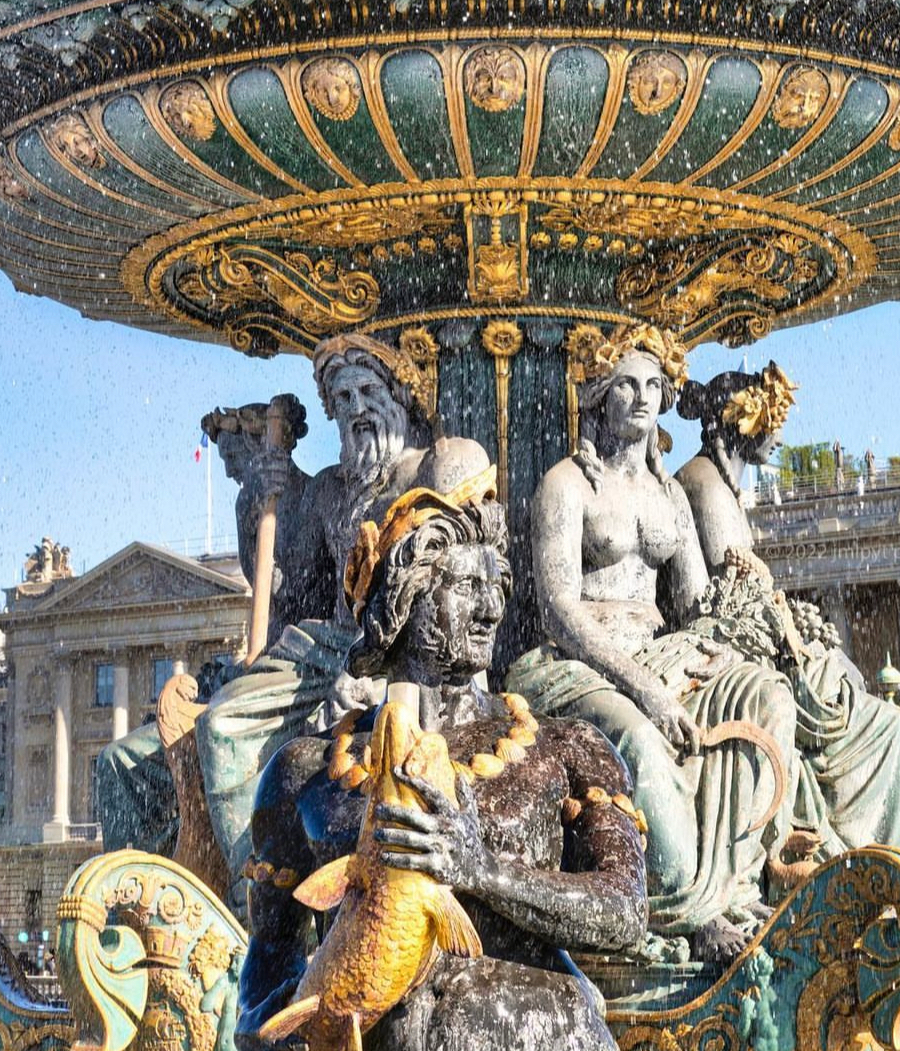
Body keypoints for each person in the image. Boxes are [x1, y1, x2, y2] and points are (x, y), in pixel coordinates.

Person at [237, 460, 647, 1051]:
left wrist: (481, 869)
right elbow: (263, 983)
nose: (490, 610)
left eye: (497, 588)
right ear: (403, 598)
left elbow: (626, 910)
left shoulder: (566, 748)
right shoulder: (305, 774)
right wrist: (298, 1030)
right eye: (466, 588)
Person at [97, 333, 490, 905]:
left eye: (367, 391)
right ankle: (134, 907)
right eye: (343, 398)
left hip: (402, 652)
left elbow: (472, 576)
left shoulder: (443, 463)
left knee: (224, 725)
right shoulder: (332, 488)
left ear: (403, 394)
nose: (356, 409)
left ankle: (253, 903)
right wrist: (262, 499)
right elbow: (287, 595)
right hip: (321, 649)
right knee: (126, 761)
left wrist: (387, 663)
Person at [506, 324, 798, 962]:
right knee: (638, 736)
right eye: (626, 386)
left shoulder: (670, 496)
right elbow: (557, 610)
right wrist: (643, 687)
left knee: (765, 695)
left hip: (658, 649)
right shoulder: (567, 485)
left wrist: (734, 628)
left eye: (653, 387)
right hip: (574, 663)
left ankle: (740, 883)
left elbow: (694, 607)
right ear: (600, 397)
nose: (642, 398)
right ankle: (683, 913)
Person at [675, 366, 900, 863]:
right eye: (773, 421)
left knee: (856, 694)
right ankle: (885, 877)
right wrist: (795, 639)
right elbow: (735, 602)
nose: (779, 437)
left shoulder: (719, 485)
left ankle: (881, 872)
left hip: (742, 648)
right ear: (745, 422)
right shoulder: (706, 487)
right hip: (727, 656)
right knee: (887, 727)